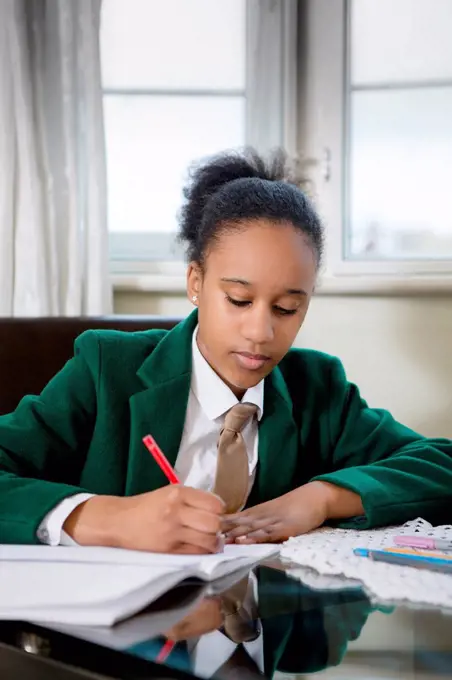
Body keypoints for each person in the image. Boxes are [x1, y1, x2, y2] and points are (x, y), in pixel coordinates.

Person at [0, 148, 451, 552]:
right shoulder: (105, 370)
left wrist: (321, 497)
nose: (261, 331)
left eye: (288, 307)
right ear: (195, 282)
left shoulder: (318, 389)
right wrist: (106, 518)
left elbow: (440, 463)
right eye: (238, 300)